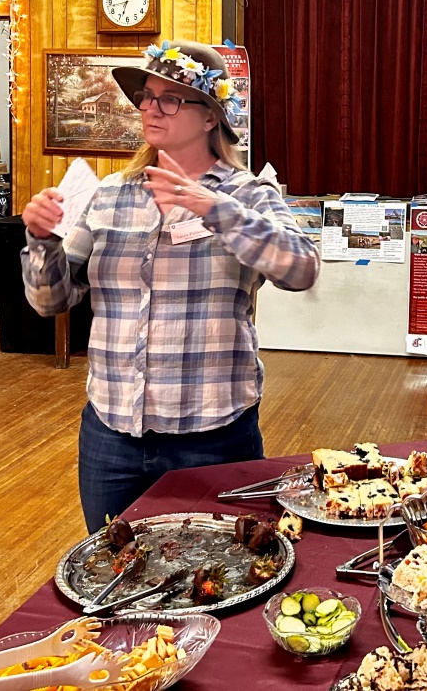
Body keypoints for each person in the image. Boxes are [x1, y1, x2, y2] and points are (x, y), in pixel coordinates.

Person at [21, 40, 320, 532]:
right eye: (145, 97)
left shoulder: (247, 194)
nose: (150, 109)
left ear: (209, 117)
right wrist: (40, 240)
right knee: (116, 576)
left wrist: (213, 208)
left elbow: (301, 269)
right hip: (111, 435)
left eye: (170, 99)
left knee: (221, 579)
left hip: (212, 437)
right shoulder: (110, 195)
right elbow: (50, 300)